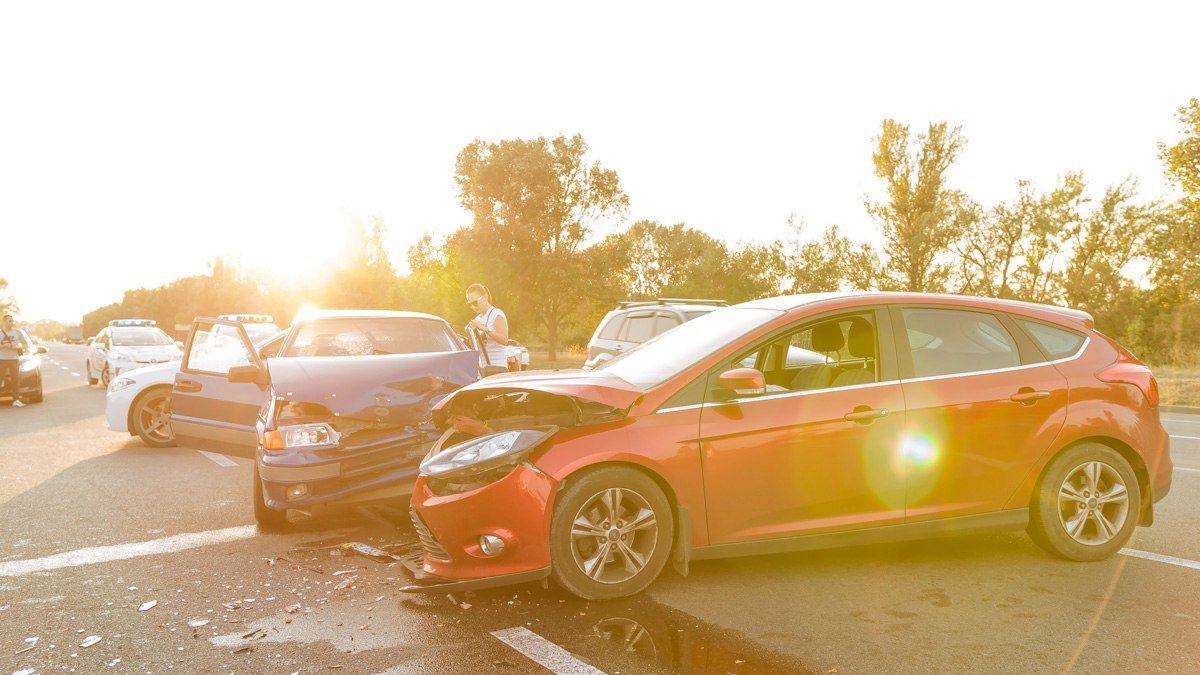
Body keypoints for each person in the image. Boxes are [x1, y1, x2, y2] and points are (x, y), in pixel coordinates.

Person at [464, 283, 519, 375]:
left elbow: (504, 340)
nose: (473, 306)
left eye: (475, 302)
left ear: (485, 297)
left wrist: (485, 329)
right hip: (483, 368)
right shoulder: (477, 319)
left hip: (498, 367)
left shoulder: (496, 314)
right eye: (470, 304)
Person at [0, 314, 29, 406]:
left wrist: (16, 347)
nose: (12, 322)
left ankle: (16, 400)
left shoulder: (17, 332)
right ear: (4, 322)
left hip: (14, 359)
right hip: (2, 359)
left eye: (12, 321)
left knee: (15, 380)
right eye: (9, 321)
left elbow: (26, 345)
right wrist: (4, 346)